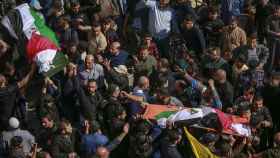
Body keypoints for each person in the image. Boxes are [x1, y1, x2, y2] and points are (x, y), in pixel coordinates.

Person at [0, 64, 36, 130]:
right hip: (9, 120)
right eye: (2, 76)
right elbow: (23, 83)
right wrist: (32, 70)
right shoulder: (7, 90)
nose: (3, 76)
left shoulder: (6, 89)